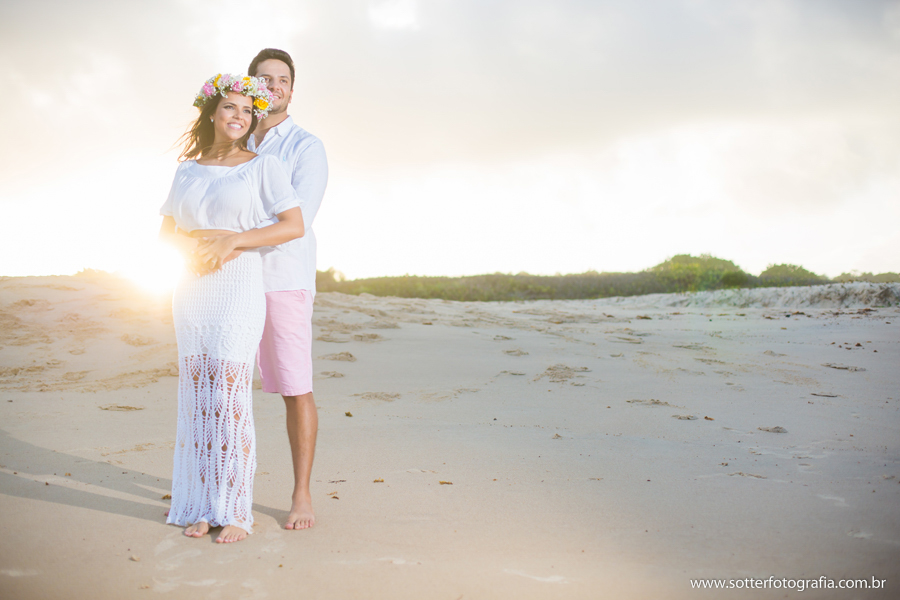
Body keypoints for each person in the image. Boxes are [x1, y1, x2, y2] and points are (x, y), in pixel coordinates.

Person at [158, 73, 305, 543]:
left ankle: (235, 510)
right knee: (198, 397)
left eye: (247, 110)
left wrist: (235, 241)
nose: (239, 117)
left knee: (229, 395)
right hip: (191, 286)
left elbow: (292, 225)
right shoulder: (187, 169)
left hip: (239, 283)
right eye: (230, 108)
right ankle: (201, 506)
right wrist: (191, 252)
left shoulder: (263, 167)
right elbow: (165, 234)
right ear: (213, 113)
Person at [246, 48, 328, 531]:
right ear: (251, 85)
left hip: (282, 281)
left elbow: (296, 220)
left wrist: (231, 236)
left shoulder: (305, 146)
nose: (273, 86)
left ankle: (300, 494)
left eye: (282, 79)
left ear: (291, 90)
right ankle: (226, 487)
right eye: (264, 78)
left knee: (294, 387)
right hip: (231, 281)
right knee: (228, 384)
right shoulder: (234, 138)